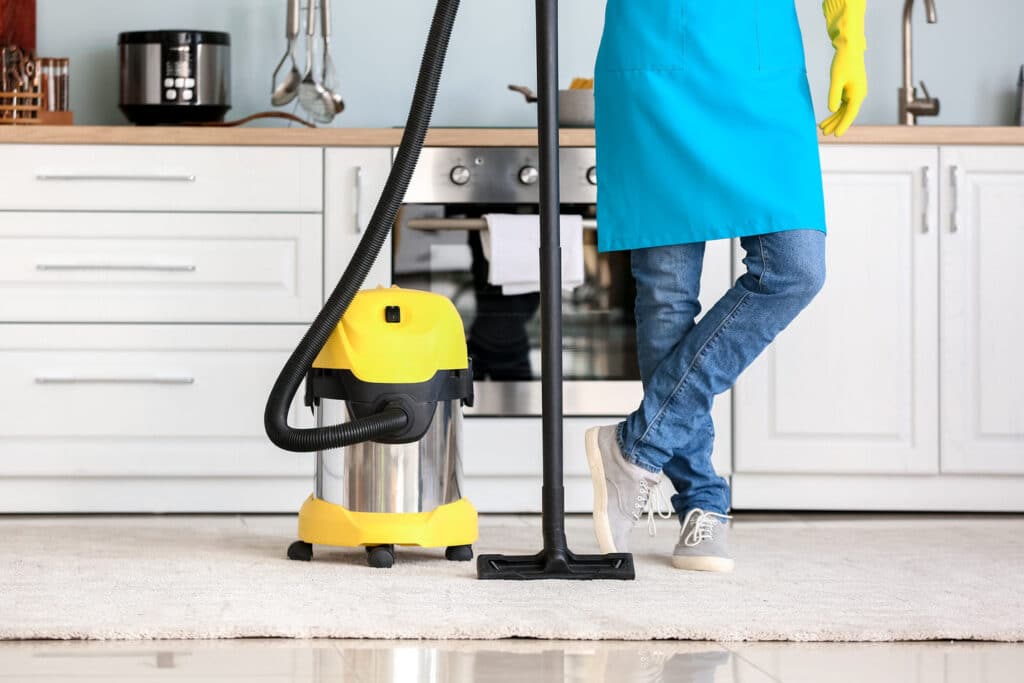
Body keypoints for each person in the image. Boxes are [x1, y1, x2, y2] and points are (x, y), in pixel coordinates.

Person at [586, 0, 868, 572]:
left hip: (760, 59)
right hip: (655, 52)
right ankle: (701, 503)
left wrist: (851, 41)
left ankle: (637, 445)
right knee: (666, 295)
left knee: (795, 269)